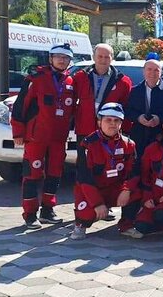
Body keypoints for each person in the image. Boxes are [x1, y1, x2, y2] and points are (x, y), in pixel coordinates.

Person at [11, 43, 77, 229]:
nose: (62, 60)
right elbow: (21, 105)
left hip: (58, 137)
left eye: (65, 58)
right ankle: (30, 214)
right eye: (58, 57)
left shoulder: (71, 82)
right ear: (50, 59)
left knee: (55, 172)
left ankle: (47, 210)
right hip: (36, 137)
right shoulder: (36, 78)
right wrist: (18, 132)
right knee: (32, 173)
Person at [70, 103, 137, 240]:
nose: (112, 124)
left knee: (137, 193)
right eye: (108, 120)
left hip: (115, 189)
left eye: (116, 120)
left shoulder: (129, 144)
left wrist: (127, 190)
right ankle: (80, 225)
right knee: (87, 212)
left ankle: (126, 225)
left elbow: (133, 173)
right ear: (99, 122)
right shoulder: (87, 144)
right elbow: (84, 178)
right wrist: (97, 203)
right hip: (92, 189)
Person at [72, 43, 132, 138]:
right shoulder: (80, 77)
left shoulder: (123, 82)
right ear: (93, 57)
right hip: (84, 129)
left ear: (112, 58)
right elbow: (71, 102)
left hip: (110, 132)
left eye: (107, 57)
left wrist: (124, 131)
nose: (103, 60)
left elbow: (126, 108)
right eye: (100, 56)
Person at [125, 59, 163, 157]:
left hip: (161, 137)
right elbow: (127, 111)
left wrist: (159, 119)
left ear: (161, 72)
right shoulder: (134, 91)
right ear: (143, 71)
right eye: (149, 69)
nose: (152, 73)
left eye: (156, 70)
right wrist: (138, 118)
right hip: (138, 137)